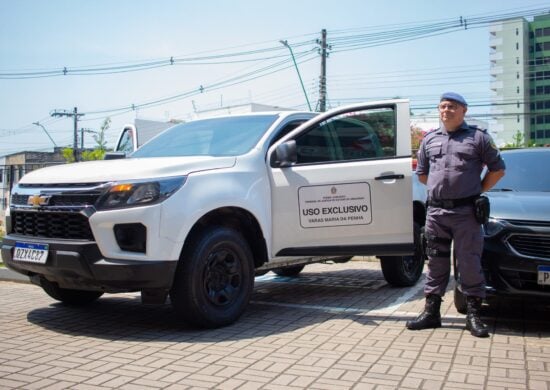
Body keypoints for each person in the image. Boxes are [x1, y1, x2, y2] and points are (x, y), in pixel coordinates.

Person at [407, 92, 505, 338]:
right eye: (442, 106)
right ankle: (432, 313)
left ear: (464, 110)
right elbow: (422, 174)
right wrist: (442, 190)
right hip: (437, 212)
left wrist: (475, 191)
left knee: (469, 262)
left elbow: (498, 170)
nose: (446, 110)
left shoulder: (478, 138)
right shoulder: (429, 140)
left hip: (466, 212)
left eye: (451, 106)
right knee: (435, 262)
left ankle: (473, 315)